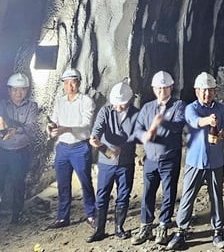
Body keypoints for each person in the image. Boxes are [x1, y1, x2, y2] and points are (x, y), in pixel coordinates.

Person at [166, 72, 224, 250]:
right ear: (196, 91)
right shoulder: (191, 108)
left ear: (215, 91)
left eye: (210, 90)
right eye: (203, 90)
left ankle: (218, 231)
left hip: (216, 161)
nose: (206, 94)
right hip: (195, 161)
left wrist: (222, 132)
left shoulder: (221, 109)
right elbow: (194, 122)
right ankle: (181, 231)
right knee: (187, 196)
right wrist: (208, 120)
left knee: (216, 197)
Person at [131, 71, 186, 246]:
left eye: (165, 87)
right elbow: (138, 128)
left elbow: (178, 126)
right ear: (154, 89)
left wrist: (162, 122)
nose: (162, 90)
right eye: (159, 88)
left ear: (171, 88)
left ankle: (163, 225)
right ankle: (146, 225)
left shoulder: (178, 105)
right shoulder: (147, 108)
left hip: (169, 157)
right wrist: (145, 134)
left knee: (168, 193)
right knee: (147, 192)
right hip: (150, 159)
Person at [86, 79, 140, 242]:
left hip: (126, 162)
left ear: (129, 100)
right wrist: (96, 141)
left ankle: (119, 228)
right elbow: (97, 131)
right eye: (115, 104)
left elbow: (139, 135)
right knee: (102, 195)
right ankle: (99, 229)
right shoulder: (105, 111)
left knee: (123, 194)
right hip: (106, 162)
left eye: (121, 104)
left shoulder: (136, 114)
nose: (118, 107)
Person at [0, 72, 40, 232]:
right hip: (0, 152)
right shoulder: (2, 104)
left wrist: (15, 130)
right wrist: (1, 125)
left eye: (22, 90)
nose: (18, 93)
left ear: (27, 90)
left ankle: (17, 216)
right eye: (15, 90)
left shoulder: (32, 107)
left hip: (19, 153)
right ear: (9, 91)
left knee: (18, 184)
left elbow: (31, 127)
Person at [46, 68, 97, 229]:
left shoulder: (87, 101)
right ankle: (63, 217)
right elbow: (54, 119)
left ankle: (91, 214)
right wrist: (50, 127)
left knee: (85, 182)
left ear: (79, 83)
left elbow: (86, 126)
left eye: (73, 82)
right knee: (63, 184)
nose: (70, 86)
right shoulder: (59, 101)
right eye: (66, 83)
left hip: (80, 147)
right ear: (63, 85)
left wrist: (66, 129)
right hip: (62, 148)